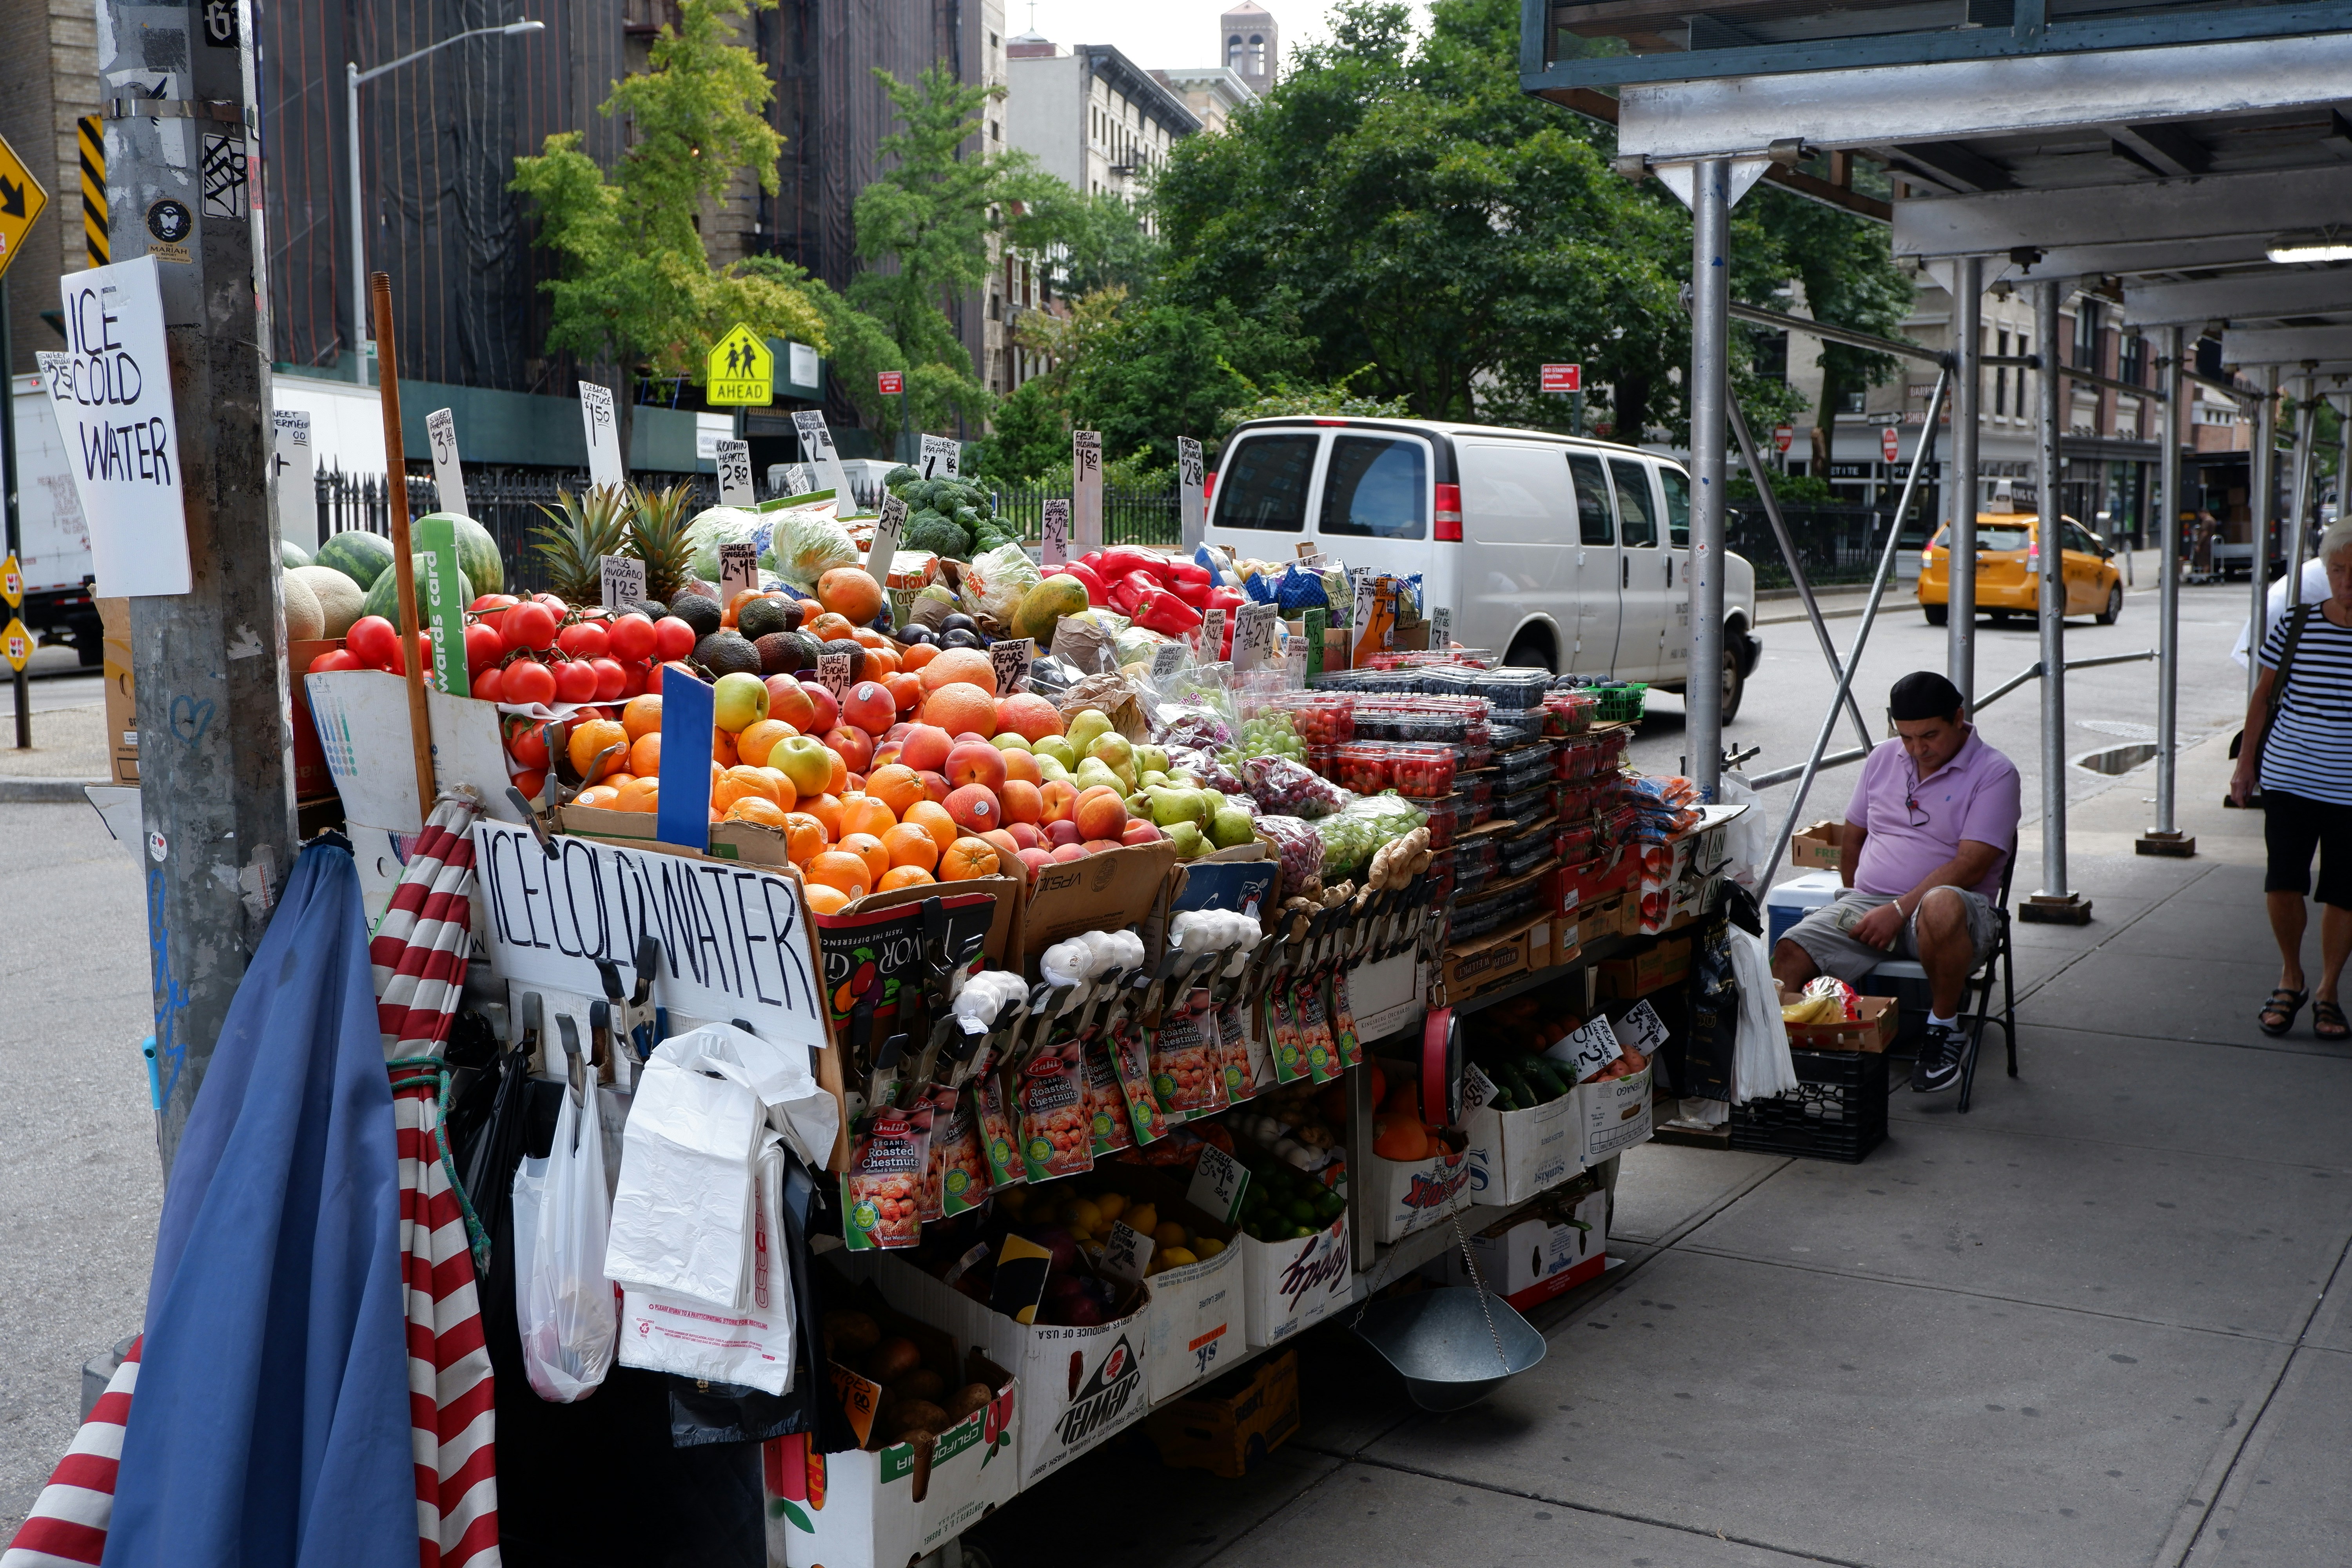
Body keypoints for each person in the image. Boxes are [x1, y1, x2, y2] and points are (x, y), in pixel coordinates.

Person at [1773, 672, 2022, 1093]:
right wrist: (1854, 897)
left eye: (1929, 736)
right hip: (1872, 902)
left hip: (1956, 913)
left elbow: (1971, 866)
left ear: (1958, 718)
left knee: (1941, 902)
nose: (1917, 749)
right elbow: (1854, 837)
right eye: (1906, 737)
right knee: (1790, 949)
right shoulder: (1883, 758)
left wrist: (1898, 910)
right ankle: (1780, 1058)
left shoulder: (1995, 772)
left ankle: (1944, 1028)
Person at [2230, 518, 2352, 1040]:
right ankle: (2292, 975)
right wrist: (2246, 764)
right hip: (2290, 776)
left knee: (2344, 893)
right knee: (2283, 882)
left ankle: (2329, 990)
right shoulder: (2297, 623)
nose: (2347, 581)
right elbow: (2263, 696)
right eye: (2339, 570)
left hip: (2349, 790)